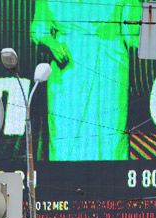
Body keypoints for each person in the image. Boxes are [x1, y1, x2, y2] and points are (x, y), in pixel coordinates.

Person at [30, 0, 141, 161]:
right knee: (66, 132)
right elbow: (38, 29)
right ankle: (65, 181)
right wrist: (52, 44)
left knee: (109, 132)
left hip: (109, 67)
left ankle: (111, 182)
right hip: (68, 71)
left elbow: (133, 36)